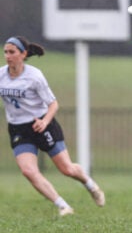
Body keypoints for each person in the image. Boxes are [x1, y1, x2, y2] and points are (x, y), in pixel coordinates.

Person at [0, 36, 105, 216]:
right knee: (28, 171)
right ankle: (63, 206)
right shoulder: (1, 75)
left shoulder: (34, 76)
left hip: (42, 124)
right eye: (5, 52)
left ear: (23, 54)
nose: (8, 56)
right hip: (18, 128)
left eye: (12, 52)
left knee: (66, 169)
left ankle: (91, 185)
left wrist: (44, 121)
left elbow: (53, 104)